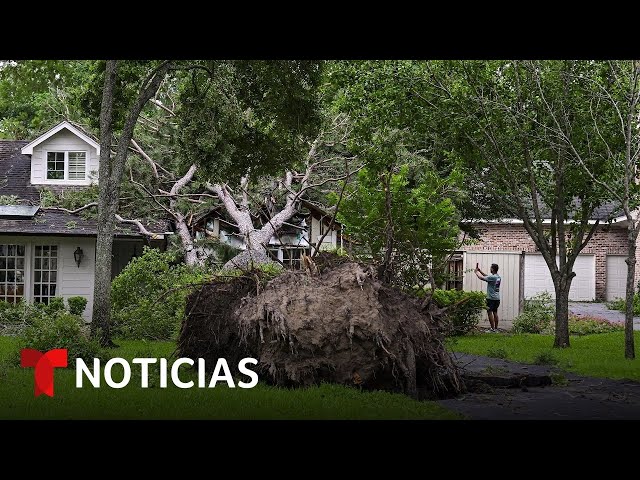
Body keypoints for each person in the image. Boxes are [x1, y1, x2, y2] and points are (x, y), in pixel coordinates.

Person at [474, 263, 502, 332]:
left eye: (490, 268)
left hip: (491, 299)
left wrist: (476, 272)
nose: (490, 269)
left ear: (492, 269)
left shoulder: (492, 278)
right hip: (497, 299)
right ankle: (496, 329)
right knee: (495, 312)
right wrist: (480, 271)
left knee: (489, 312)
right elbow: (487, 276)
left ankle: (492, 329)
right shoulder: (498, 277)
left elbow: (481, 278)